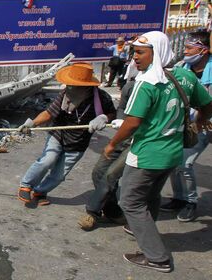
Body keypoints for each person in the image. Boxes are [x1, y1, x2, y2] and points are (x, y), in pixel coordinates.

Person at [105, 31, 212, 272]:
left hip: (148, 153)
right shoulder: (184, 76)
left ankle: (156, 256)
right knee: (151, 194)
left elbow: (132, 122)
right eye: (133, 53)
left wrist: (112, 144)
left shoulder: (147, 82)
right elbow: (207, 103)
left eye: (141, 53)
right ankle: (141, 228)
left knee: (129, 201)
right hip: (172, 152)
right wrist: (201, 120)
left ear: (157, 52)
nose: (135, 58)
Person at [17, 63, 116, 205]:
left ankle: (40, 192)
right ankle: (26, 185)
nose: (69, 87)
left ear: (86, 86)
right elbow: (49, 113)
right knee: (48, 160)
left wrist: (104, 117)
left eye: (73, 85)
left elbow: (112, 113)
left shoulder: (102, 98)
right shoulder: (65, 95)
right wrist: (32, 124)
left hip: (78, 142)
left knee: (59, 175)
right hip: (58, 134)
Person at [160, 30, 212, 222]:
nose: (186, 51)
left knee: (185, 162)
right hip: (188, 122)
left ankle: (190, 201)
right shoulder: (182, 68)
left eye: (190, 48)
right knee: (178, 161)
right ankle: (181, 198)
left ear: (204, 50)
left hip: (205, 122)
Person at [78, 77, 136, 231]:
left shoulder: (158, 88)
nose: (135, 57)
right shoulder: (130, 87)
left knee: (112, 175)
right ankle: (113, 212)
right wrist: (108, 119)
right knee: (99, 172)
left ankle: (93, 211)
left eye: (139, 52)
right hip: (122, 137)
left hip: (141, 141)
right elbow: (120, 112)